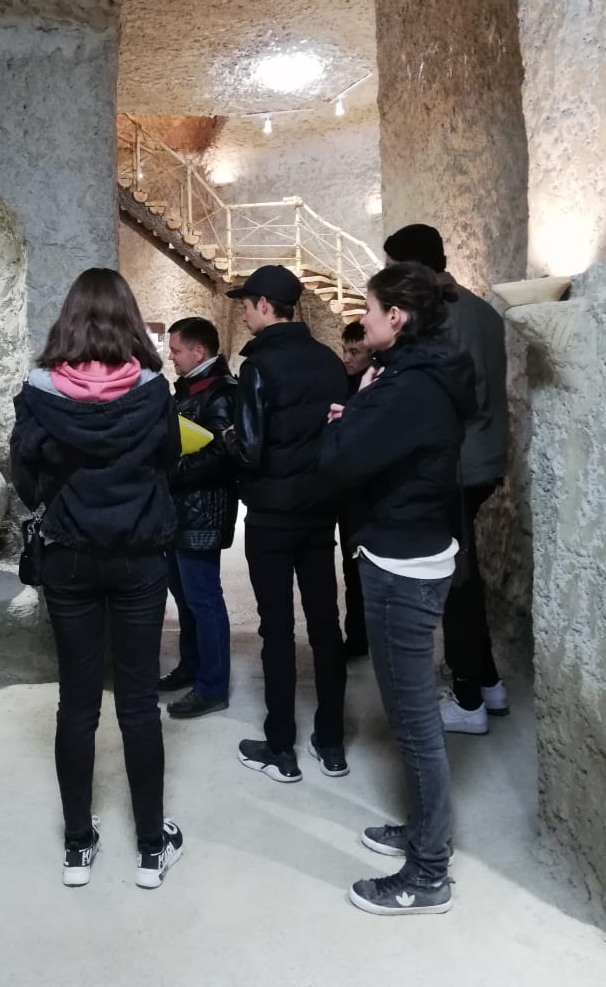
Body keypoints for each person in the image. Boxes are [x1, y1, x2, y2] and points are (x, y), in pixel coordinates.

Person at [10, 267, 184, 890]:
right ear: (128, 320)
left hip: (70, 557)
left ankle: (78, 846)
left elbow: (25, 477)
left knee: (77, 701)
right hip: (139, 555)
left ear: (70, 319)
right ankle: (150, 850)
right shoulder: (153, 392)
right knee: (138, 701)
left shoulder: (39, 393)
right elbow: (170, 458)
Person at [318, 261, 476, 915]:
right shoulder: (420, 373)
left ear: (397, 317)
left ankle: (429, 873)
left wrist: (348, 419)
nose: (362, 320)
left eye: (369, 309)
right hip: (415, 546)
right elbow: (385, 445)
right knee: (411, 717)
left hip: (403, 564)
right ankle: (423, 831)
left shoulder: (406, 386)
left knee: (413, 724)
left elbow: (335, 462)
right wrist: (360, 411)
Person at [223, 264, 349, 783]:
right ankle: (332, 742)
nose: (244, 314)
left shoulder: (258, 367)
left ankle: (281, 748)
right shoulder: (329, 360)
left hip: (273, 516)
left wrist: (225, 438)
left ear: (265, 305)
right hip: (319, 510)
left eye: (246, 305)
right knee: (325, 625)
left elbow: (249, 449)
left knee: (276, 630)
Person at [384, 224, 509, 734]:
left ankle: (467, 698)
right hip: (484, 458)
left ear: (411, 268)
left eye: (392, 268)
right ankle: (490, 684)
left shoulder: (438, 316)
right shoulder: (481, 309)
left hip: (456, 463)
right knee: (466, 573)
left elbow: (437, 399)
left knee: (453, 581)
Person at [161, 317, 238, 719]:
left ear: (198, 351)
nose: (171, 358)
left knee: (205, 601)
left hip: (203, 512)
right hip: (181, 511)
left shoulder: (221, 392)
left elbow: (220, 455)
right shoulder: (191, 387)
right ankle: (191, 667)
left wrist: (167, 470)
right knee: (186, 598)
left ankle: (212, 687)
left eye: (175, 351)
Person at [339, 320, 370, 659]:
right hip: (346, 489)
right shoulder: (341, 382)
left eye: (355, 352)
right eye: (345, 350)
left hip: (369, 491)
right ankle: (357, 637)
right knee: (351, 568)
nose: (347, 358)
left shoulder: (378, 385)